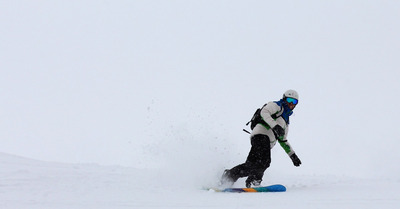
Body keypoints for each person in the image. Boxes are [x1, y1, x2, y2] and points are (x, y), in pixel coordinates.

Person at [221, 90, 302, 188]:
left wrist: (292, 155)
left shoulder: (286, 121)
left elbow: (283, 139)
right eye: (289, 100)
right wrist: (274, 125)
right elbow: (264, 112)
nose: (291, 103)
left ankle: (236, 178)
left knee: (251, 164)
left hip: (264, 141)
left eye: (294, 102)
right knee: (264, 162)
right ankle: (250, 179)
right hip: (261, 136)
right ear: (284, 98)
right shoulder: (277, 105)